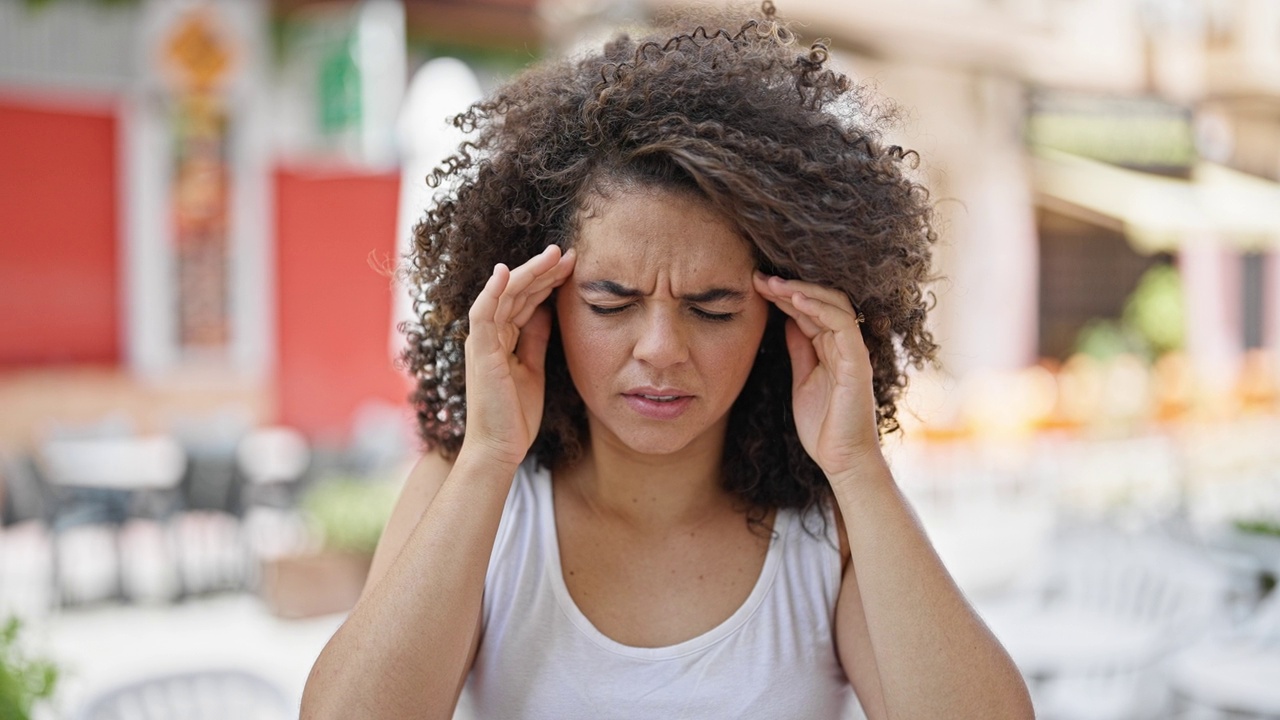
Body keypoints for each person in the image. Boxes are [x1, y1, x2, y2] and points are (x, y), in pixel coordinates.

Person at [301, 4, 1034, 719]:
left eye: (712, 308)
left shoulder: (831, 523)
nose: (659, 349)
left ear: (785, 320)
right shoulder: (472, 493)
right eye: (611, 302)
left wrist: (856, 467)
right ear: (540, 302)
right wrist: (490, 453)